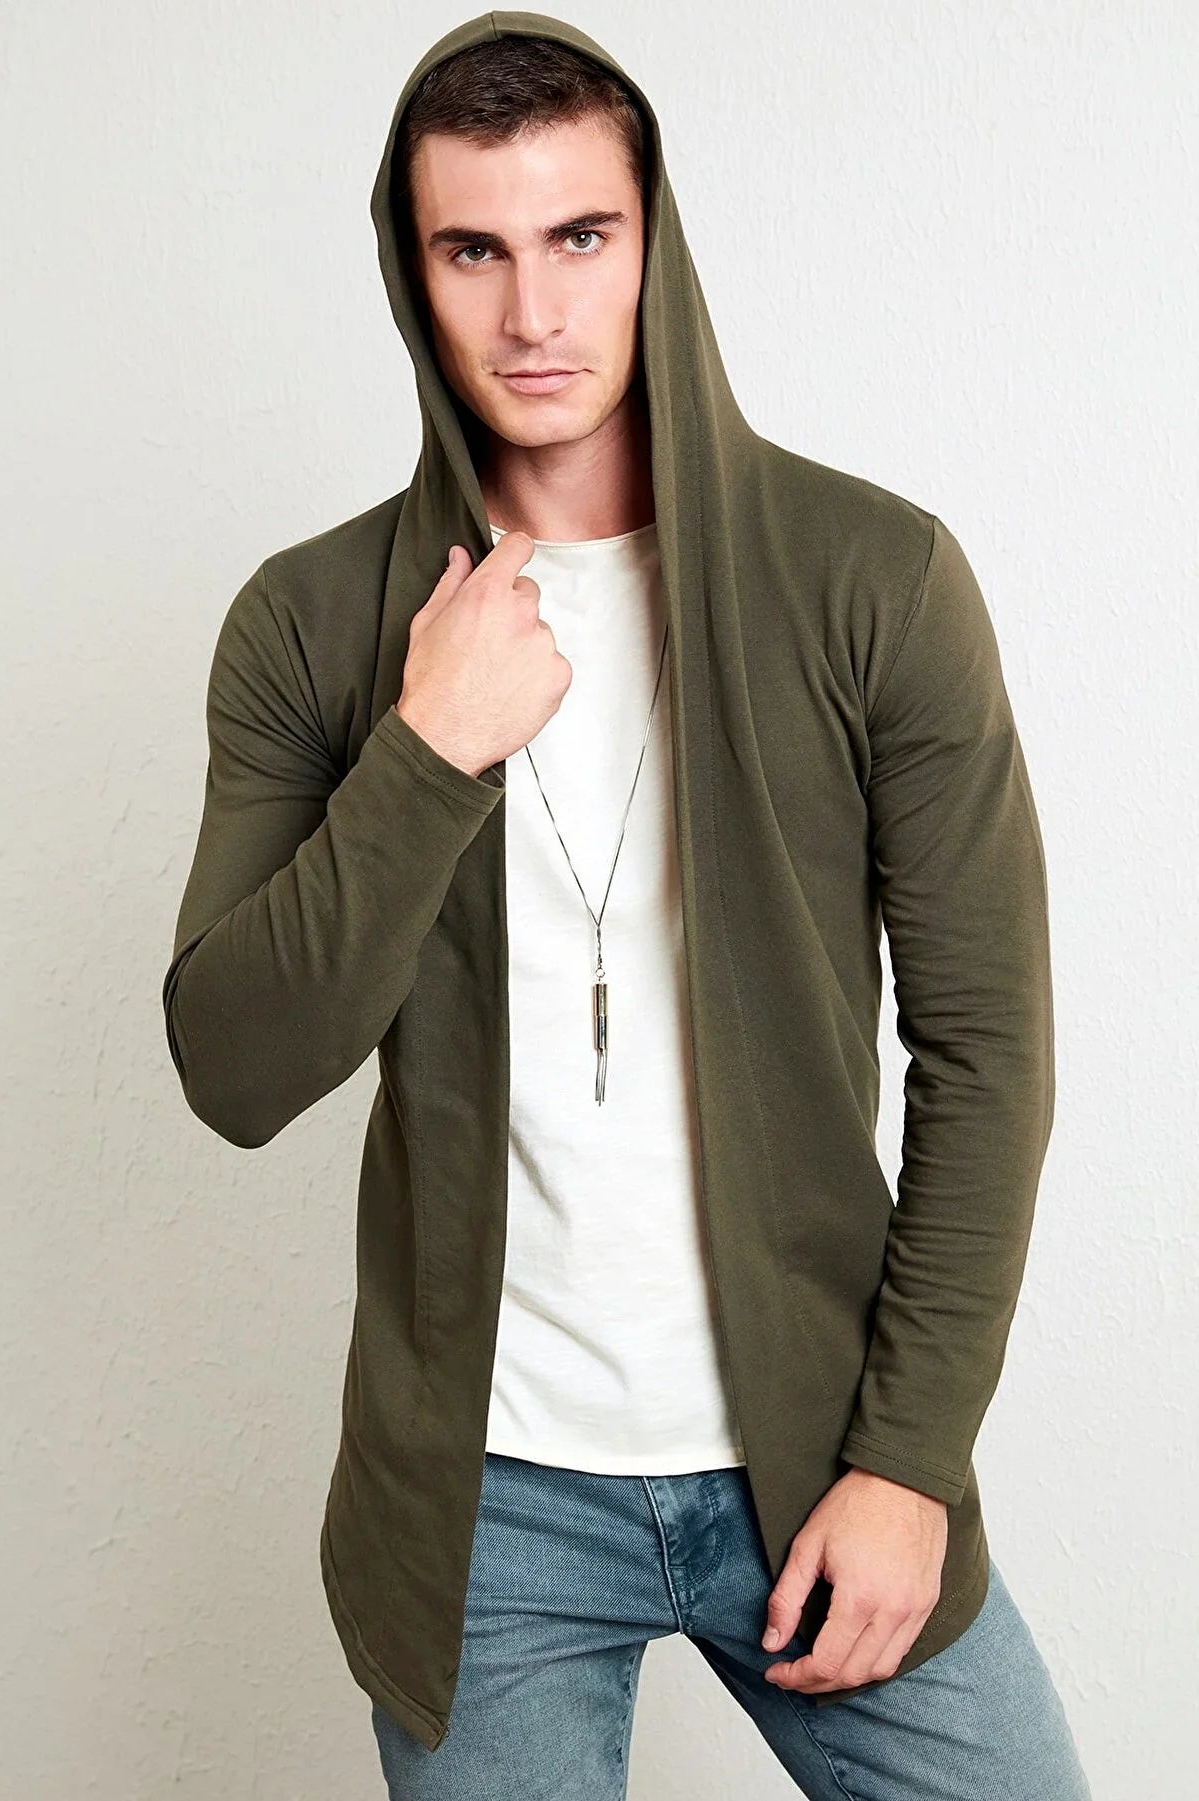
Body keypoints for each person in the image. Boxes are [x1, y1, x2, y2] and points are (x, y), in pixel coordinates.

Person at [162, 12, 1092, 1798]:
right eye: (474, 250)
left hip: (819, 1451)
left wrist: (908, 1458)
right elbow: (234, 1067)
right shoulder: (314, 622)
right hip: (485, 1508)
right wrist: (430, 746)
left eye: (579, 237)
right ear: (412, 274)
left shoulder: (870, 578)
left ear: (652, 241)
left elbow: (987, 1049)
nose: (534, 311)